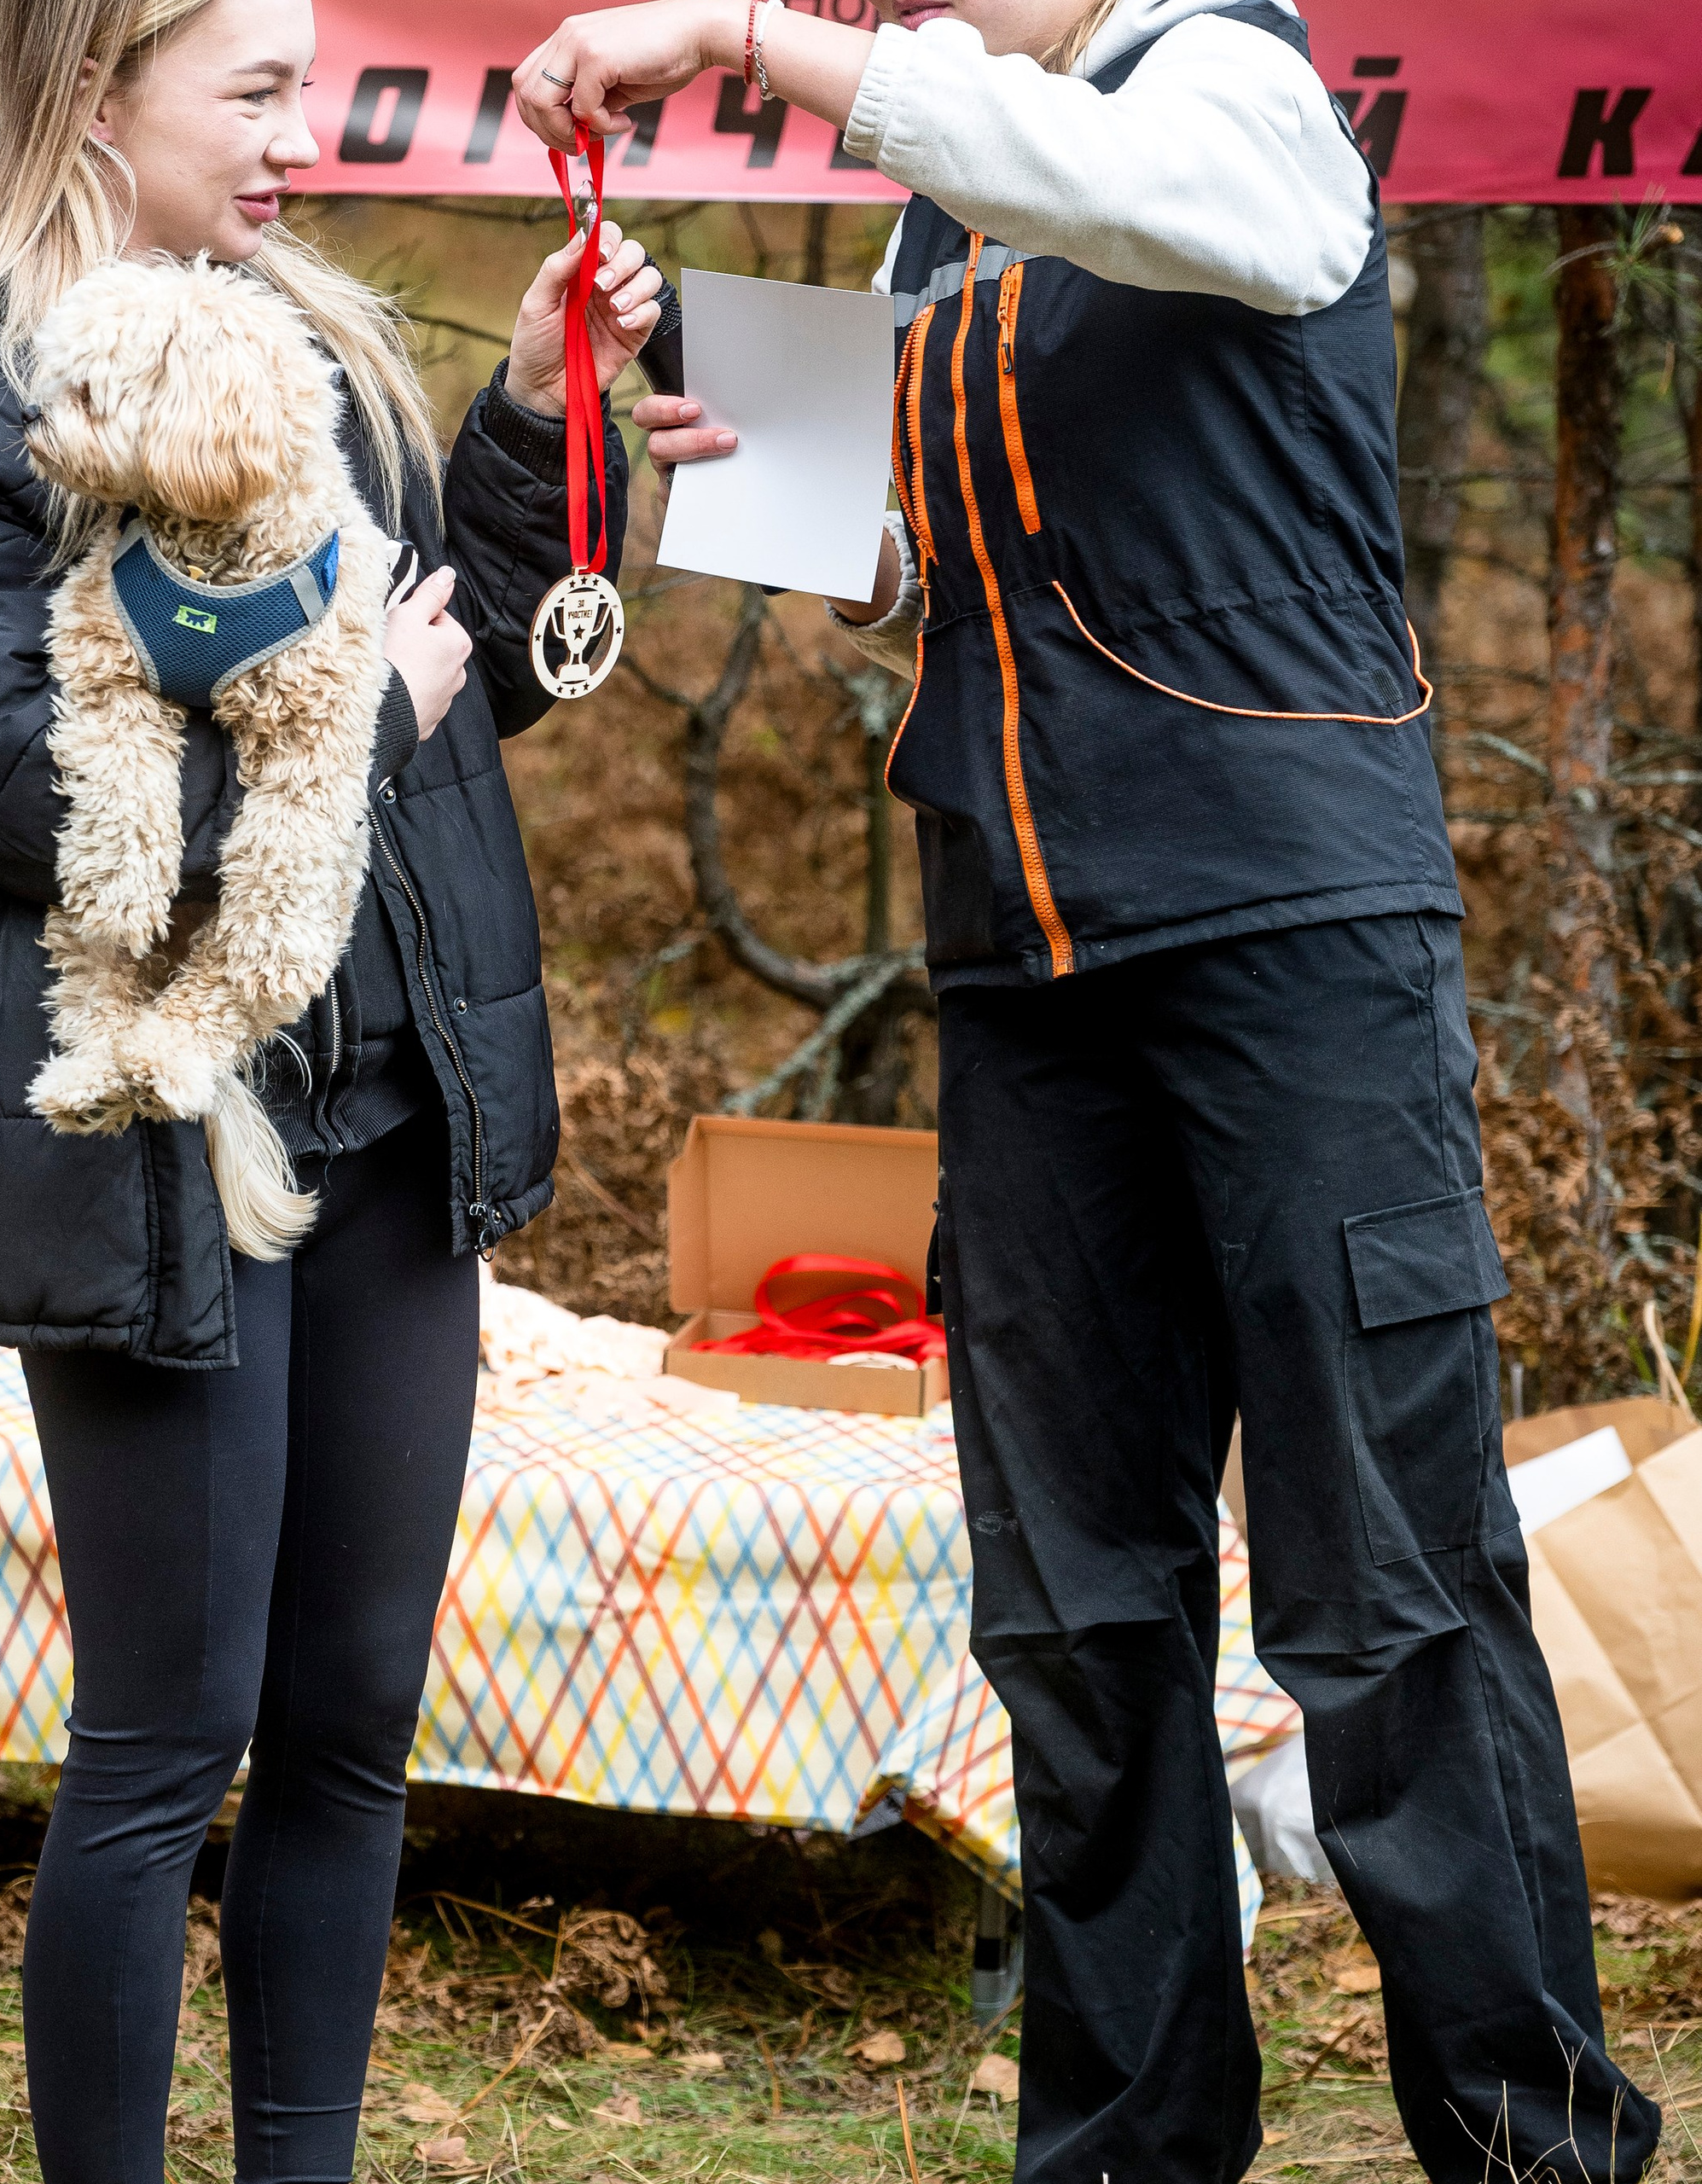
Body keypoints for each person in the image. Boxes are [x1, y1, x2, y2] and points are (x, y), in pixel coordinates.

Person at [516, 4, 1657, 2182]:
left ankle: (1535, 2152)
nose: (883, 13)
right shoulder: (934, 210)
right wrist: (786, 504)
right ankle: (1126, 2147)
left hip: (1287, 942)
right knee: (1072, 1609)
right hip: (1024, 968)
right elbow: (936, 567)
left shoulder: (1233, 80)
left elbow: (1135, 196)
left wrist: (751, 42)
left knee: (1385, 1591)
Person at [0, 2, 660, 2176]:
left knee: (352, 1723)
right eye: (253, 93)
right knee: (166, 1736)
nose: (313, 131)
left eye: (308, 80)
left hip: (380, 1124)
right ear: (97, 93)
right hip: (158, 1140)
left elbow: (470, 666)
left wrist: (553, 413)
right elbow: (26, 788)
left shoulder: (307, 352)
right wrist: (370, 703)